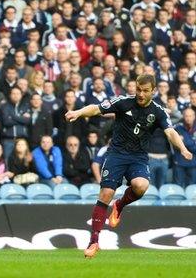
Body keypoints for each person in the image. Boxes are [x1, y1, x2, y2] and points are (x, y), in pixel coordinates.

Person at [65, 74, 193, 258]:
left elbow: (170, 132)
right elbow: (96, 109)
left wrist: (182, 148)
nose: (140, 94)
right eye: (138, 89)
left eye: (145, 91)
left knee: (141, 186)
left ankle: (120, 204)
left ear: (153, 91)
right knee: (106, 193)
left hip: (138, 157)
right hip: (116, 155)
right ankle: (94, 242)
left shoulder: (158, 111)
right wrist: (77, 113)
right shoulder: (123, 102)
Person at [174, 108, 196, 187]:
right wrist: (192, 142)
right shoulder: (178, 127)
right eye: (186, 116)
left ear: (194, 117)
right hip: (179, 162)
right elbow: (176, 145)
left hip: (193, 163)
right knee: (178, 187)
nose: (188, 118)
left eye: (190, 116)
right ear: (183, 116)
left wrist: (184, 141)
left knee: (192, 188)